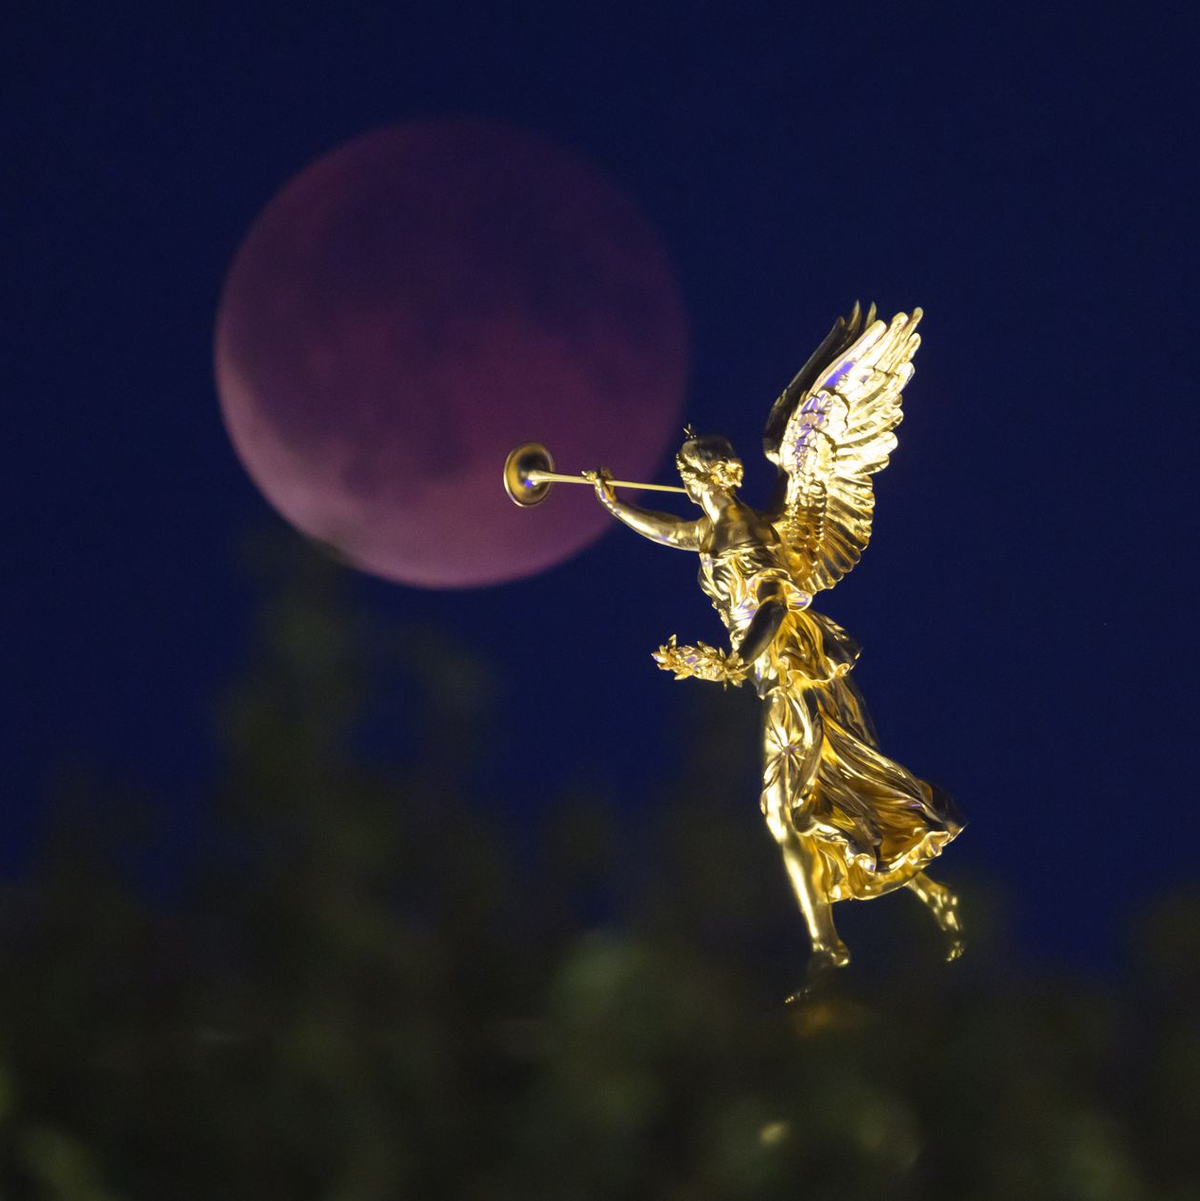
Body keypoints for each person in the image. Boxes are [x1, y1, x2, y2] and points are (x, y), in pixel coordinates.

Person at [590, 429, 963, 996]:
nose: (686, 484)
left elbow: (770, 601)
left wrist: (736, 660)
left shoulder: (746, 529)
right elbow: (678, 534)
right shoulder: (715, 530)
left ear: (714, 476)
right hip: (777, 677)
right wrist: (616, 505)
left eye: (691, 474)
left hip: (793, 673)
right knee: (822, 803)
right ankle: (916, 893)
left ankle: (828, 947)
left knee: (788, 814)